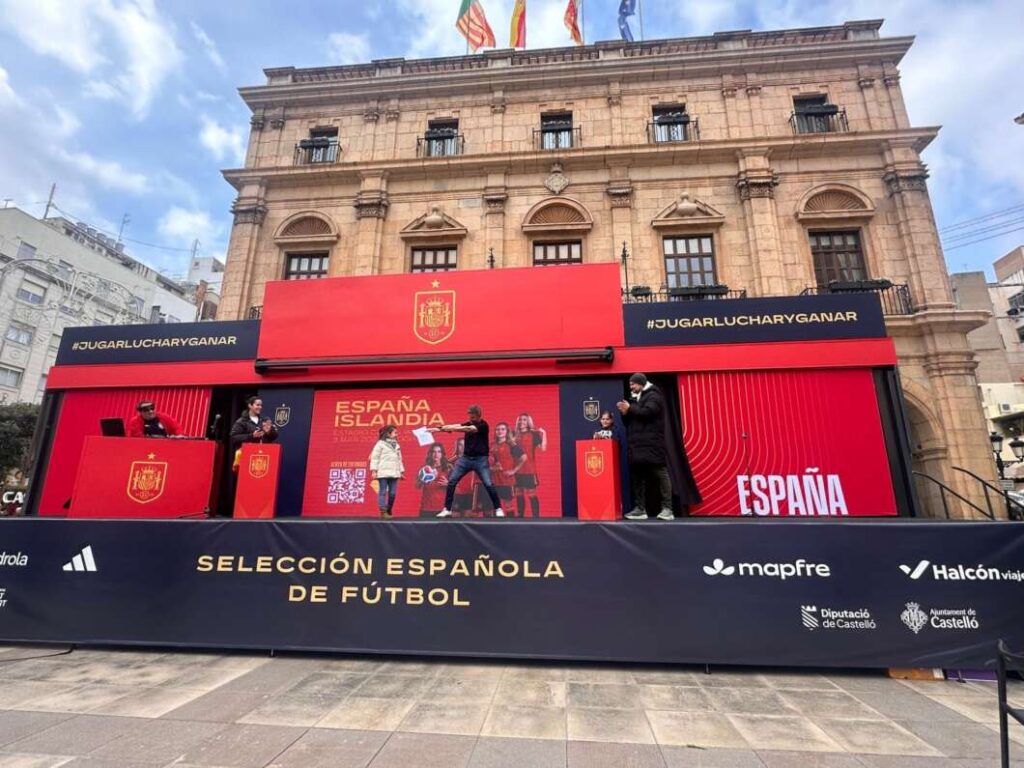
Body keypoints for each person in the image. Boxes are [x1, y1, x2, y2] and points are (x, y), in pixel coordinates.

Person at [429, 404, 505, 518]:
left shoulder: (483, 425)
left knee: (488, 484)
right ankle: (447, 509)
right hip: (466, 459)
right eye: (469, 416)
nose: (470, 418)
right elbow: (457, 425)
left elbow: (467, 429)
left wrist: (450, 429)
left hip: (480, 460)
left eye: (472, 416)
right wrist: (438, 429)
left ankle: (498, 508)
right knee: (452, 481)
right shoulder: (469, 423)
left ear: (478, 416)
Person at [617, 373, 674, 520]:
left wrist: (630, 408)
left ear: (641, 383)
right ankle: (640, 509)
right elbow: (628, 422)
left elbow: (648, 413)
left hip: (652, 444)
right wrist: (624, 413)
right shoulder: (634, 398)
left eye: (633, 384)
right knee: (637, 477)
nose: (631, 387)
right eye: (630, 384)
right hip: (636, 445)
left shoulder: (654, 395)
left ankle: (667, 509)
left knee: (660, 474)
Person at [512, 413, 546, 517]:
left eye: (524, 420)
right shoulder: (513, 434)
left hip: (529, 469)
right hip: (516, 469)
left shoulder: (534, 434)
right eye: (520, 419)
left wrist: (544, 434)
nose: (522, 421)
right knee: (519, 494)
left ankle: (536, 517)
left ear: (528, 422)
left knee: (531, 494)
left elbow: (543, 448)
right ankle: (520, 516)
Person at [369, 425, 404, 519]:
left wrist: (401, 472)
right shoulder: (380, 444)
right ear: (388, 434)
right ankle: (383, 512)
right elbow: (374, 458)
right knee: (383, 492)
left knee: (392, 493)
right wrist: (374, 471)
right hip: (383, 472)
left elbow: (399, 459)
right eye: (395, 432)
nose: (397, 434)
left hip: (394, 473)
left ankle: (389, 509)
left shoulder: (397, 445)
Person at [490, 421, 524, 516]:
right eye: (498, 429)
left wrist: (513, 471)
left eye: (502, 429)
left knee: (508, 504)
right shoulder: (492, 445)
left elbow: (524, 457)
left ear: (507, 431)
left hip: (506, 480)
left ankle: (510, 523)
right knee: (495, 506)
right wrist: (491, 468)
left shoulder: (511, 444)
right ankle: (496, 524)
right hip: (493, 480)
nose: (500, 431)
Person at [417, 443, 450, 517]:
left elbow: (457, 487)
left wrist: (448, 484)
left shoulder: (448, 468)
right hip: (426, 508)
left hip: (443, 509)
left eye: (439, 452)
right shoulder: (425, 469)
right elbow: (418, 485)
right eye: (434, 452)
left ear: (442, 454)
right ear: (430, 454)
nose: (436, 454)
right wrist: (425, 478)